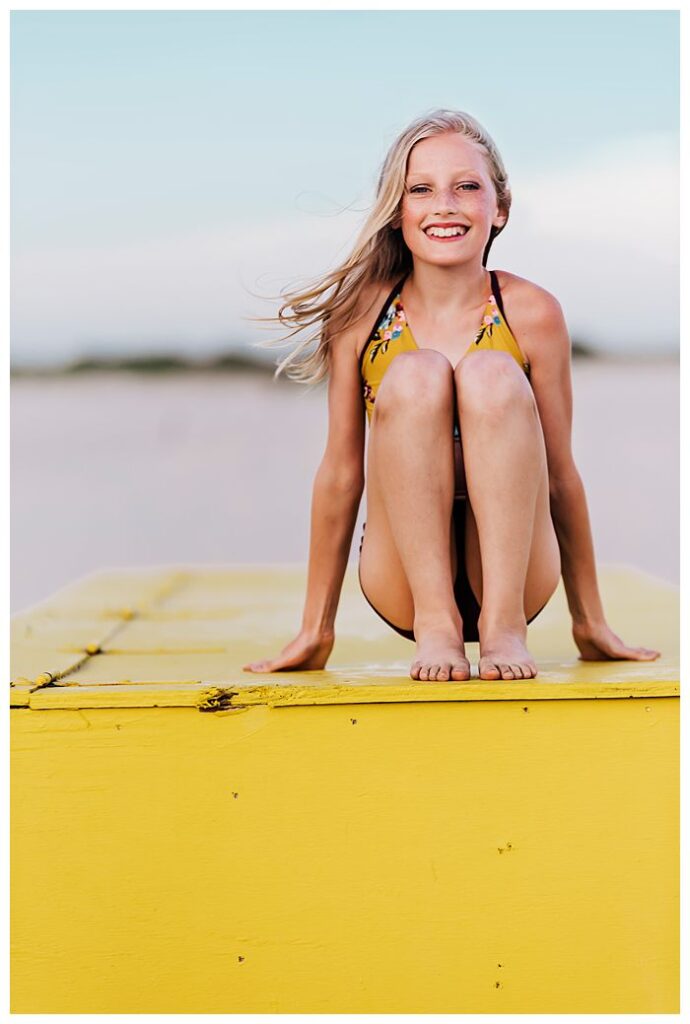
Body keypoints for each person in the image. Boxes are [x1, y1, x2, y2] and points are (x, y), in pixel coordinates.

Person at [243, 108, 661, 682]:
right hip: (404, 582)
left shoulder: (532, 312)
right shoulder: (361, 316)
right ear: (398, 212)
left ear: (500, 208)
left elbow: (560, 474)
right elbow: (341, 474)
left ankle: (503, 627)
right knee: (416, 373)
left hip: (515, 576)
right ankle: (438, 625)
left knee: (490, 373)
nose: (445, 205)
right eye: (421, 189)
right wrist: (317, 629)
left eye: (467, 186)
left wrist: (588, 621)